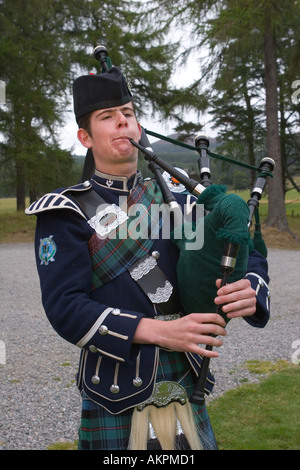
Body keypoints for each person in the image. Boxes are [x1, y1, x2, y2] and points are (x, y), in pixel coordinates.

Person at [26, 67, 270, 450]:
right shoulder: (66, 211)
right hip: (115, 386)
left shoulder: (181, 199)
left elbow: (243, 249)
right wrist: (162, 332)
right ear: (85, 137)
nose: (122, 120)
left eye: (128, 112)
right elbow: (66, 308)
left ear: (139, 129)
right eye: (107, 116)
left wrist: (251, 288)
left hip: (185, 379)